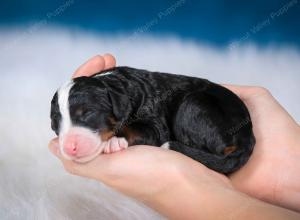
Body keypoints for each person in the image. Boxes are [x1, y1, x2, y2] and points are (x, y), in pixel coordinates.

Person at [48, 54, 300, 219]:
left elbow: (152, 131)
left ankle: (216, 155)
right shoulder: (117, 95)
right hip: (217, 131)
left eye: (86, 115)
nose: (67, 140)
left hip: (220, 124)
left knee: (189, 107)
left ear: (118, 104)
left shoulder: (129, 98)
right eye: (59, 124)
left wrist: (126, 137)